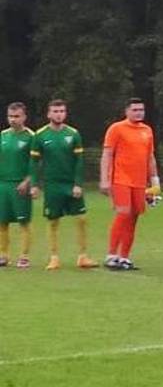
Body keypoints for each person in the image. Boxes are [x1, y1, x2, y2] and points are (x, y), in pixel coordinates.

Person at [30, 99, 99, 270]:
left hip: (71, 185)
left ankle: (83, 256)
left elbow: (79, 161)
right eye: (55, 111)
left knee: (82, 219)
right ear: (49, 114)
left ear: (65, 113)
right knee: (53, 221)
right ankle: (54, 257)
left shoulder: (73, 134)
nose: (58, 114)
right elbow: (33, 162)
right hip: (52, 185)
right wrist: (35, 184)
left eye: (61, 111)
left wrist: (78, 184)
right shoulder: (40, 135)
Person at [100, 98, 160, 271]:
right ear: (127, 111)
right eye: (134, 110)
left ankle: (124, 257)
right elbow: (107, 154)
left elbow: (150, 157)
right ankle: (111, 255)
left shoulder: (147, 130)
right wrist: (104, 179)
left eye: (141, 109)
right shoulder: (117, 128)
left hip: (139, 181)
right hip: (121, 178)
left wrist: (155, 181)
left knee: (134, 217)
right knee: (123, 213)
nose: (138, 112)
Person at [0, 102, 35, 268]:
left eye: (16, 116)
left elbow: (36, 163)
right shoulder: (3, 136)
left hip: (20, 185)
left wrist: (27, 181)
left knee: (23, 222)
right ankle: (3, 255)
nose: (13, 119)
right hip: (3, 184)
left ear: (24, 117)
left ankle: (24, 256)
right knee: (2, 221)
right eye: (10, 116)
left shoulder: (31, 137)